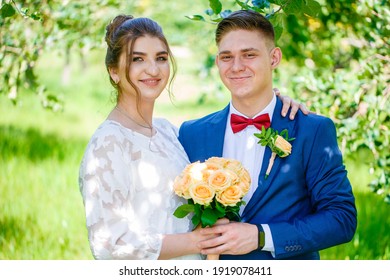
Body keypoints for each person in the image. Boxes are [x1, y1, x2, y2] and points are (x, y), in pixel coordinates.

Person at [78, 14, 307, 260]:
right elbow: (108, 244)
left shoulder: (169, 132)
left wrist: (273, 104)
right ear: (114, 71)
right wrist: (194, 242)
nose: (153, 69)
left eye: (161, 58)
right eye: (137, 60)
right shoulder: (107, 144)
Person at [178, 10, 357, 260]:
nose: (237, 66)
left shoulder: (312, 130)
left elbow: (341, 219)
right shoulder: (191, 133)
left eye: (249, 55)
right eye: (227, 57)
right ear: (217, 62)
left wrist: (262, 236)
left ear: (274, 58)